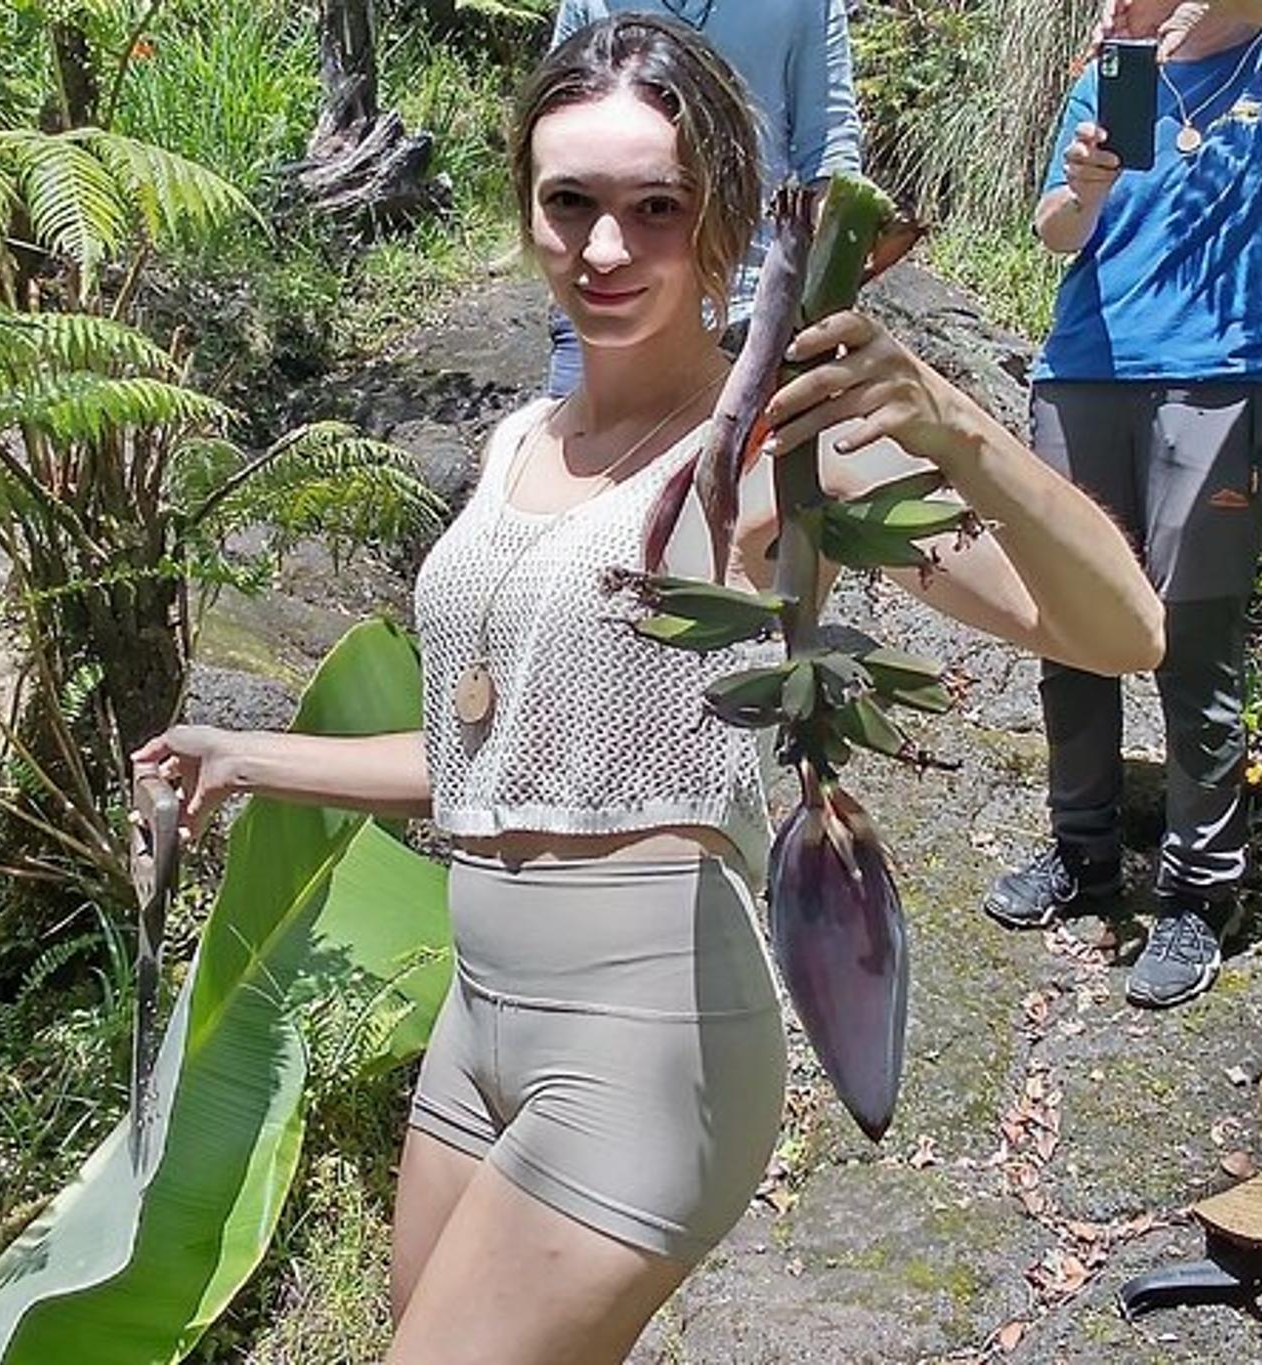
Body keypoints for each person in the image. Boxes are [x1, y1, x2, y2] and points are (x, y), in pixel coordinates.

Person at [135, 16, 1159, 1363]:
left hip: (647, 1035)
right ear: (527, 211)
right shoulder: (518, 444)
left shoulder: (784, 446)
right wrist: (249, 758)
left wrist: (951, 419)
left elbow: (1117, 632)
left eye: (654, 209)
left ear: (722, 220)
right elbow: (489, 763)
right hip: (478, 1025)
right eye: (571, 203)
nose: (605, 248)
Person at [984, 0, 1262, 1009]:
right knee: (1067, 624)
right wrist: (1080, 190)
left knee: (1192, 634)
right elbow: (1051, 232)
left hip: (1223, 378)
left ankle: (1199, 893)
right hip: (1083, 367)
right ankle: (1081, 853)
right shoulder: (1112, 75)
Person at [542, 0, 861, 396]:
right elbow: (554, 125)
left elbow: (829, 148)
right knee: (570, 448)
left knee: (742, 456)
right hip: (605, 298)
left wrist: (824, 294)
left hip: (751, 308)